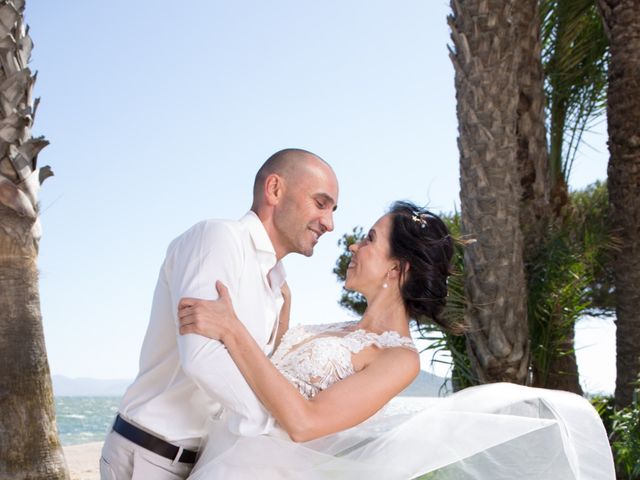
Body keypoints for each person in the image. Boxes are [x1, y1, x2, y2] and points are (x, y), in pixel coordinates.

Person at [178, 201, 616, 479]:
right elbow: (263, 374)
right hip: (218, 458)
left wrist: (232, 329)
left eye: (369, 239)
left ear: (396, 269)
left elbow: (305, 423)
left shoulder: (398, 359)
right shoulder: (331, 329)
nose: (353, 246)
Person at [99, 148, 339, 480]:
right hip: (151, 456)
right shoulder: (218, 238)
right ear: (274, 189)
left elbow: (254, 371)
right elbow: (201, 356)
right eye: (321, 203)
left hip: (207, 460)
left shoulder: (278, 286)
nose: (329, 223)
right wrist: (275, 428)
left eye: (332, 210)